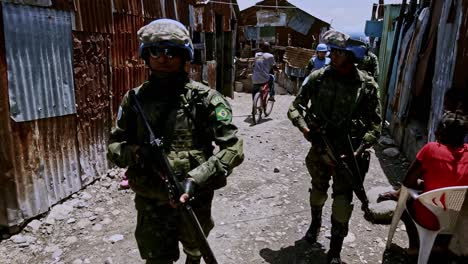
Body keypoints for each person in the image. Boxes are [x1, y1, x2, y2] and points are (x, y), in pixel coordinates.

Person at [107, 19, 244, 264]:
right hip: (151, 200)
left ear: (184, 55)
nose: (163, 58)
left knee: (194, 251)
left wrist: (196, 178)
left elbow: (233, 148)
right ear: (146, 55)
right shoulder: (134, 100)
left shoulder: (205, 99)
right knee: (156, 258)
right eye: (156, 51)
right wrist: (137, 153)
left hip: (193, 197)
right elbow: (114, 147)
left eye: (171, 51)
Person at [287, 30, 382, 264]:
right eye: (333, 51)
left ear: (353, 55)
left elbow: (376, 125)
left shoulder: (367, 85)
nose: (333, 55)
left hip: (349, 155)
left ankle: (335, 250)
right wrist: (306, 130)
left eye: (339, 52)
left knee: (342, 203)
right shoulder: (318, 77)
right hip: (320, 148)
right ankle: (315, 224)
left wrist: (359, 149)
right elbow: (294, 107)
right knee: (318, 191)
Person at [380, 111, 468, 255]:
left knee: (406, 203)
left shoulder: (431, 150)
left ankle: (415, 247)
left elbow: (407, 182)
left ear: (440, 132)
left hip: (430, 218)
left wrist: (423, 184)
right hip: (455, 218)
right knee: (450, 203)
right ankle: (441, 245)